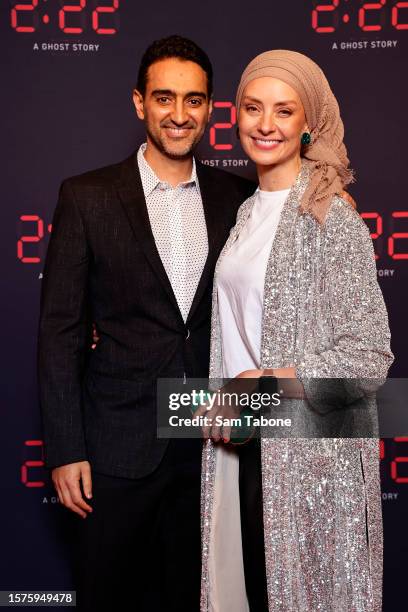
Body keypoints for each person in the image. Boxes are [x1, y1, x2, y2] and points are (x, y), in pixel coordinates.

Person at [37, 35, 255, 612]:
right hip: (115, 447)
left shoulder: (239, 197)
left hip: (209, 447)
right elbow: (59, 332)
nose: (179, 115)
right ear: (140, 103)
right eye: (164, 98)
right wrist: (64, 449)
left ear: (211, 108)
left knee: (193, 598)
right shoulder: (87, 197)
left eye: (193, 100)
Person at [199, 50, 393, 612]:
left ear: (308, 121)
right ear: (233, 116)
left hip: (306, 458)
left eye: (284, 111)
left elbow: (367, 357)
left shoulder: (330, 214)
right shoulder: (245, 214)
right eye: (253, 108)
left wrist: (262, 384)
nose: (266, 124)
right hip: (240, 446)